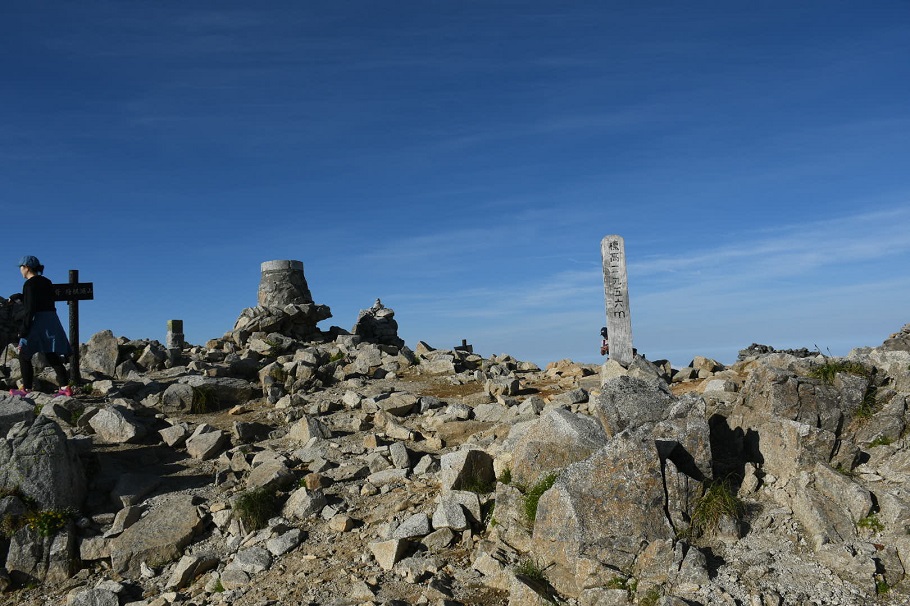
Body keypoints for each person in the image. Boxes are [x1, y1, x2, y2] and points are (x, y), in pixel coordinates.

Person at [10, 256, 72, 397]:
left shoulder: (29, 284)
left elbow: (30, 308)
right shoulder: (47, 282)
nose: (20, 270)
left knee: (24, 353)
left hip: (37, 320)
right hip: (51, 319)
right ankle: (65, 387)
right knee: (50, 352)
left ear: (26, 267)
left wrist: (23, 330)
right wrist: (18, 296)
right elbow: (40, 298)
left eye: (21, 267)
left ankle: (26, 389)